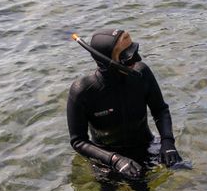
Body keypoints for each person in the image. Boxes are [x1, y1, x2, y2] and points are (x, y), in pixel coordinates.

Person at [66, 29, 183, 179]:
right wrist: (114, 160)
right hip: (106, 158)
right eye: (127, 56)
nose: (137, 59)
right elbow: (78, 141)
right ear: (107, 61)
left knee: (184, 185)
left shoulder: (142, 73)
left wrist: (167, 143)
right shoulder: (83, 91)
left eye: (134, 50)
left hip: (147, 146)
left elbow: (160, 109)